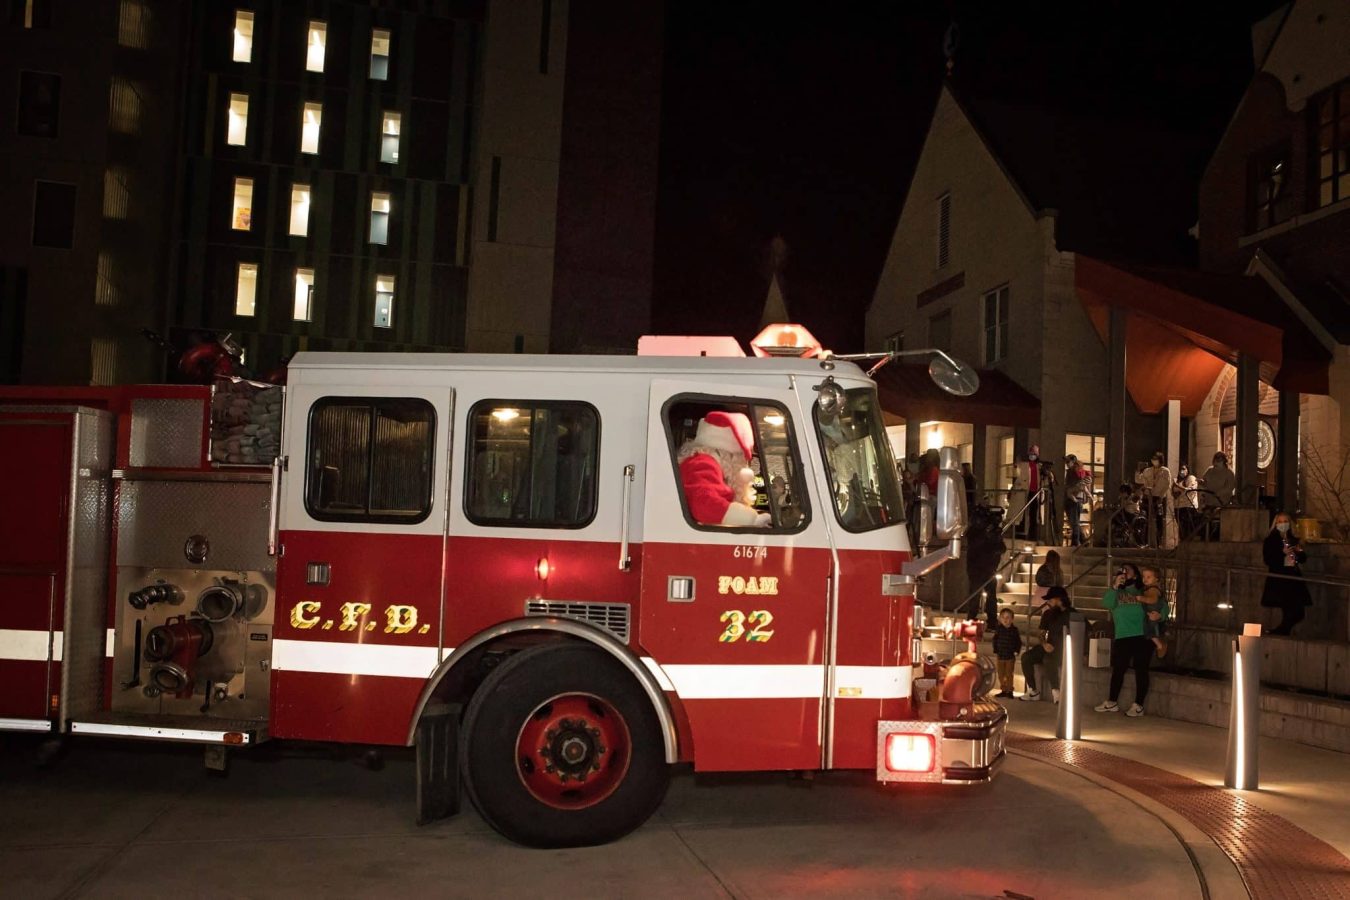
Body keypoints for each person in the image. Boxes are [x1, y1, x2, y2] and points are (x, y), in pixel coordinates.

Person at [677, 412, 772, 527]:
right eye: (739, 456)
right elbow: (705, 505)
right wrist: (752, 520)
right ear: (729, 453)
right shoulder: (703, 464)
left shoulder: (701, 462)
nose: (742, 464)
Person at [1095, 563, 1159, 716]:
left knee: (1141, 669)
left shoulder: (1142, 590)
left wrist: (1160, 615)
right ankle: (1112, 701)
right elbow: (1107, 603)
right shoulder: (1117, 592)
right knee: (1118, 669)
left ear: (1136, 575)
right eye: (1121, 570)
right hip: (1123, 635)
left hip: (1142, 635)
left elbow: (1159, 604)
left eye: (1127, 570)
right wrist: (1115, 586)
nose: (1123, 572)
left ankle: (1138, 705)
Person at [1018, 585, 1072, 702]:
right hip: (1049, 646)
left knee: (1049, 660)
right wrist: (1044, 644)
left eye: (1051, 599)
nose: (1048, 602)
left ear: (1060, 599)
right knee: (1026, 657)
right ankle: (1033, 690)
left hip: (1065, 649)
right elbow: (1041, 633)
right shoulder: (1048, 614)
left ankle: (1056, 692)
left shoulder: (1071, 614)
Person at [1261, 512, 1312, 635]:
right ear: (1275, 524)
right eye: (1280, 521)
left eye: (1285, 521)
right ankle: (1281, 631)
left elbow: (1302, 558)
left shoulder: (1293, 539)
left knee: (1298, 612)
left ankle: (1282, 631)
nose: (1283, 524)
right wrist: (1282, 552)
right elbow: (1268, 559)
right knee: (1289, 608)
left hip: (1293, 575)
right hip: (1280, 577)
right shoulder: (1271, 540)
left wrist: (1297, 552)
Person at [1134, 452, 1173, 547]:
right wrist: (1138, 471)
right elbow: (1138, 480)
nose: (1154, 461)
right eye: (1153, 459)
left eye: (1156, 459)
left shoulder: (1165, 471)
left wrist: (1161, 496)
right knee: (1146, 519)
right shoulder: (1147, 470)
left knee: (1158, 520)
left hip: (1158, 497)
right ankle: (1146, 541)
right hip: (1148, 497)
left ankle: (1159, 542)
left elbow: (1167, 485)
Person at [1138, 566, 1169, 657]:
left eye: (1148, 577)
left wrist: (1141, 598)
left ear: (1156, 579)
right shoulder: (1147, 588)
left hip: (1152, 613)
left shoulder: (1153, 589)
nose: (1145, 579)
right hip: (1150, 614)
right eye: (1144, 577)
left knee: (1150, 631)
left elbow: (1153, 600)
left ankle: (1160, 645)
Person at [990, 607, 1022, 698]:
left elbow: (1018, 641)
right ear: (1000, 619)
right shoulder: (999, 629)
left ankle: (1009, 690)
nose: (1005, 620)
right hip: (1000, 655)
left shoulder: (1014, 630)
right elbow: (995, 640)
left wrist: (1016, 650)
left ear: (1012, 619)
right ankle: (1003, 689)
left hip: (1010, 656)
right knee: (1001, 674)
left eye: (1008, 618)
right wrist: (995, 649)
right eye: (1003, 617)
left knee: (1009, 674)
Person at [1064, 455, 1093, 547]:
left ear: (1074, 462)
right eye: (1066, 462)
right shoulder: (1071, 472)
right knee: (1074, 521)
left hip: (1075, 499)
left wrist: (1087, 496)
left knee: (1074, 521)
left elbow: (1083, 485)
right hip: (1073, 498)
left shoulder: (1076, 471)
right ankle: (1083, 540)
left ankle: (1076, 541)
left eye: (1068, 461)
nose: (1067, 464)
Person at [1173, 464, 1201, 540]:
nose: (1181, 471)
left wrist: (1178, 486)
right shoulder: (1178, 480)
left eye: (1183, 469)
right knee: (1181, 529)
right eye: (1179, 469)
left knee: (1188, 528)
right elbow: (1174, 494)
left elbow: (1189, 490)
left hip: (1188, 506)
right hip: (1178, 507)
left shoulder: (1191, 478)